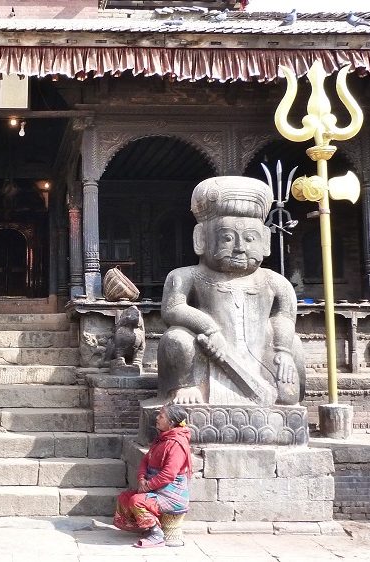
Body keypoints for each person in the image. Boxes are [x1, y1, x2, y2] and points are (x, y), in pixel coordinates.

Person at [158, 176, 304, 407]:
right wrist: (209, 329)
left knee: (287, 395)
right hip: (206, 353)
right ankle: (186, 385)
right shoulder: (185, 276)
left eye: (249, 238)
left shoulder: (275, 282)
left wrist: (284, 350)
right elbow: (173, 309)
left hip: (259, 354)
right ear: (201, 238)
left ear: (265, 241)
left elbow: (284, 316)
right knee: (176, 338)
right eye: (227, 237)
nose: (239, 247)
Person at [114, 404, 192, 548]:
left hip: (171, 496)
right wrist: (142, 479)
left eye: (161, 416)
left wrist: (148, 486)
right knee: (124, 498)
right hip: (155, 489)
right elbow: (146, 460)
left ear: (171, 423)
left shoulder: (176, 443)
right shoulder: (162, 439)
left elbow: (168, 474)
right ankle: (146, 527)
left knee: (137, 501)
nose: (157, 418)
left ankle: (156, 535)